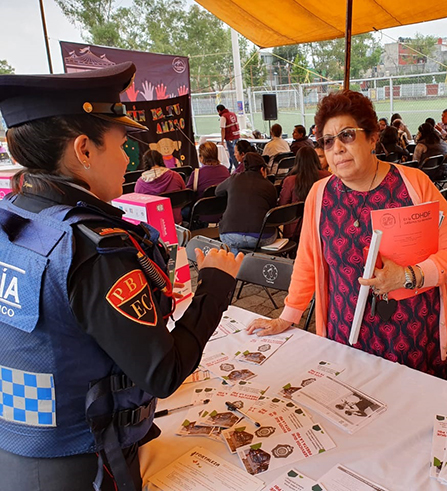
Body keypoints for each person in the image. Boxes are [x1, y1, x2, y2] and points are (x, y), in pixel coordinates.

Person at [0, 62, 243, 491]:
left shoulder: (14, 219)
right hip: (81, 462)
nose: (126, 158)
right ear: (84, 150)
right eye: (119, 145)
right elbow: (164, 372)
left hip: (20, 441)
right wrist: (217, 285)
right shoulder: (92, 249)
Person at [247, 90, 447, 379]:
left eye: (347, 136)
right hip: (347, 338)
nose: (336, 148)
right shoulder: (320, 195)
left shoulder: (414, 185)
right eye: (327, 141)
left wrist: (407, 275)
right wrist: (287, 317)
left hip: (414, 339)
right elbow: (306, 263)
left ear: (373, 136)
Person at [215, 152, 278, 254]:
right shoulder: (269, 186)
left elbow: (217, 191)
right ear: (262, 170)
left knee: (234, 246)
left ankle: (237, 262)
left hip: (230, 233)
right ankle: (254, 263)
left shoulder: (234, 179)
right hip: (261, 236)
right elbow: (272, 211)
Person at [279, 146, 331, 238]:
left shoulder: (290, 181)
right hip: (322, 225)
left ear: (297, 161)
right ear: (315, 160)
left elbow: (283, 206)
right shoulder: (327, 176)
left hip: (295, 230)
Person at [134, 149, 186, 223]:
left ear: (145, 163)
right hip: (176, 223)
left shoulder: (139, 184)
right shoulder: (176, 176)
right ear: (161, 160)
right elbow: (185, 198)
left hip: (153, 226)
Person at [217, 104, 240, 172]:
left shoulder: (223, 117)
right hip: (236, 135)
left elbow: (223, 129)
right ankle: (229, 168)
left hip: (230, 137)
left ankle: (237, 169)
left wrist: (222, 141)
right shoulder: (232, 114)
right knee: (232, 153)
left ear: (219, 111)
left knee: (232, 154)